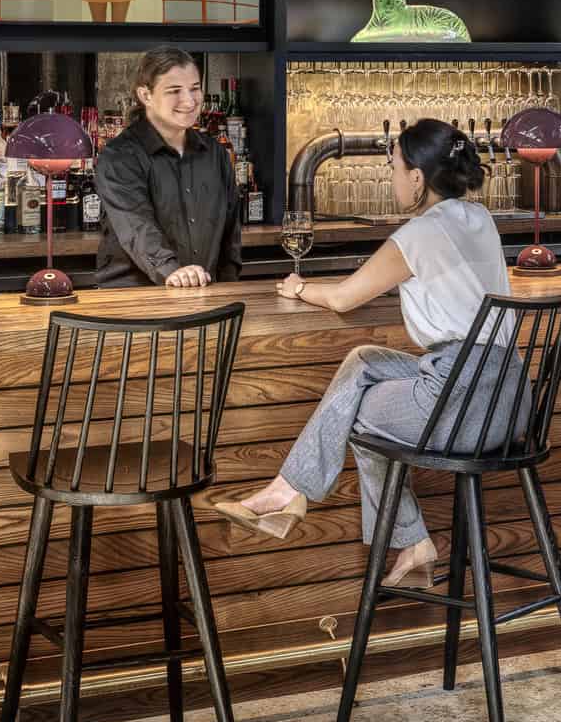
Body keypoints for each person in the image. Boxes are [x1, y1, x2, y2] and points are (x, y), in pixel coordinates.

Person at [215, 120, 511, 591]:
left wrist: (299, 287)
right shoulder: (479, 219)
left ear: (417, 178)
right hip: (508, 400)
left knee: (352, 412)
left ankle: (315, 503)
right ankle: (289, 492)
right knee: (363, 362)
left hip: (462, 405)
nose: (391, 178)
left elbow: (344, 299)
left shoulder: (421, 233)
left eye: (394, 167)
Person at [92, 48, 241, 290]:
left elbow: (230, 234)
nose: (189, 101)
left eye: (194, 88)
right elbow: (137, 227)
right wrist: (173, 272)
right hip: (133, 303)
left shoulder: (215, 154)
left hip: (202, 298)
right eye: (174, 91)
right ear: (145, 95)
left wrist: (228, 289)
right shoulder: (119, 157)